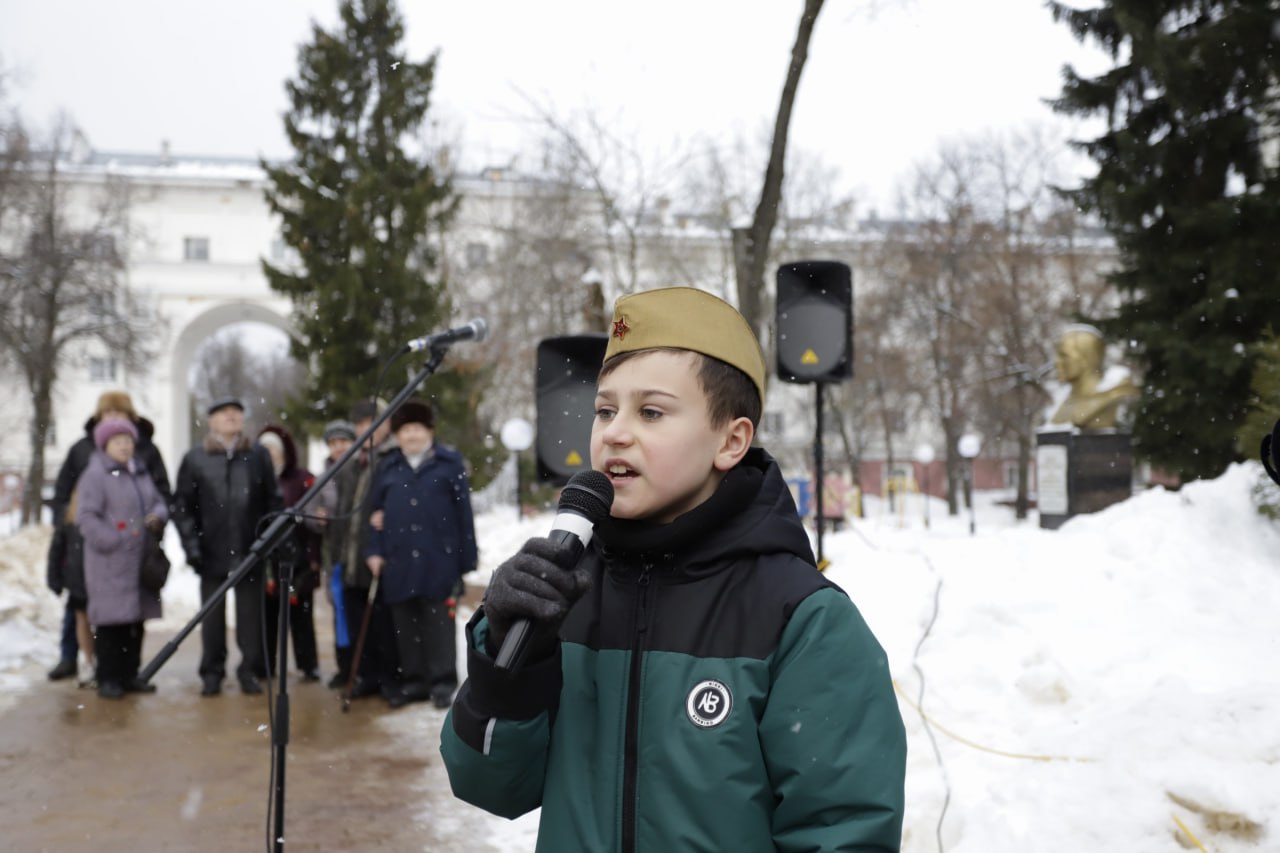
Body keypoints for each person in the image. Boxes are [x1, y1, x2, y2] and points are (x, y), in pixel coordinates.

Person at [441, 287, 907, 850]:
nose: (614, 431)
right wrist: (510, 664)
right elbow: (489, 786)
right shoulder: (569, 593)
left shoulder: (803, 621)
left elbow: (843, 832)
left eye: (651, 412)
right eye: (605, 410)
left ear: (731, 441)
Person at [46, 390, 171, 682]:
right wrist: (75, 530)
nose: (123, 443)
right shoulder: (86, 456)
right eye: (109, 414)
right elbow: (69, 497)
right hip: (92, 546)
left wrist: (155, 523)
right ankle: (88, 665)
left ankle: (125, 675)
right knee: (87, 608)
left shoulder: (143, 457)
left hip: (137, 552)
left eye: (121, 414)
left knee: (131, 616)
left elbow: (159, 495)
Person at [366, 398, 477, 709]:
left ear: (429, 432)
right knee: (405, 627)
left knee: (438, 623)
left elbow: (464, 514)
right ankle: (414, 681)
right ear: (397, 435)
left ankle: (443, 682)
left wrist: (466, 559)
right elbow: (373, 514)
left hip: (438, 559)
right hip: (398, 559)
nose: (412, 436)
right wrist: (374, 550)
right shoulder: (388, 468)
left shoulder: (449, 464)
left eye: (418, 429)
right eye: (406, 430)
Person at [173, 397, 283, 696]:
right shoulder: (196, 458)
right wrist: (192, 547)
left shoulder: (257, 455)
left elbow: (273, 501)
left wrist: (266, 542)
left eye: (236, 412)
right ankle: (212, 672)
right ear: (212, 421)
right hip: (211, 551)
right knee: (212, 618)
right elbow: (183, 506)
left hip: (251, 550)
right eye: (224, 413)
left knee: (251, 617)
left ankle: (249, 670)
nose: (231, 417)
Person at [75, 418, 168, 699]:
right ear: (105, 445)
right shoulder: (95, 475)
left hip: (139, 561)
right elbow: (86, 517)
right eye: (118, 442)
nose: (125, 446)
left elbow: (158, 502)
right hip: (109, 563)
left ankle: (130, 675)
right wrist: (113, 540)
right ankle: (108, 678)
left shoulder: (139, 471)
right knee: (111, 624)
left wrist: (157, 517)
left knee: (134, 622)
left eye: (128, 441)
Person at [338, 400, 400, 700]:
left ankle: (389, 679)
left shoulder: (393, 457)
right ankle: (367, 675)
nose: (367, 429)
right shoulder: (352, 462)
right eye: (361, 424)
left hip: (378, 554)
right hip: (351, 555)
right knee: (356, 618)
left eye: (373, 421)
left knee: (382, 624)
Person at [257, 425, 323, 683]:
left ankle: (309, 665)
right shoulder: (257, 478)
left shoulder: (302, 479)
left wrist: (313, 558)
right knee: (268, 617)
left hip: (299, 558)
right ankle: (267, 665)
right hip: (266, 560)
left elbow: (313, 521)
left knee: (301, 617)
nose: (269, 453)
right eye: (264, 449)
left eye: (273, 448)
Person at [316, 419, 357, 689]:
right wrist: (317, 518)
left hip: (357, 553)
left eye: (344, 441)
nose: (339, 447)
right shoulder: (322, 477)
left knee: (357, 611)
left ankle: (360, 668)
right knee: (340, 614)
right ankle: (344, 668)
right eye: (333, 443)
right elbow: (311, 508)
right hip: (334, 554)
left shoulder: (362, 470)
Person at [1048, 323, 1138, 430]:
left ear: (1087, 359)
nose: (1057, 362)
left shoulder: (1112, 397)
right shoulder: (1065, 403)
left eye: (1064, 355)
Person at [45, 491, 92, 685]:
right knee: (80, 619)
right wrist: (54, 578)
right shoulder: (69, 519)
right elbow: (57, 549)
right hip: (77, 579)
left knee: (100, 623)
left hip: (99, 579)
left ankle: (99, 663)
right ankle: (87, 662)